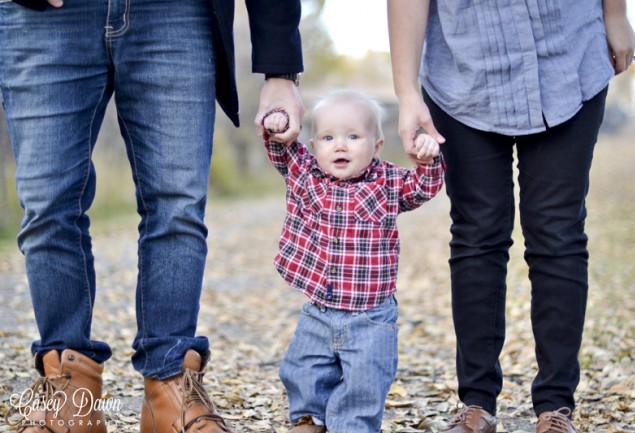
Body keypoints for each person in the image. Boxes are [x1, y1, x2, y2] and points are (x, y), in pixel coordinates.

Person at [0, 0, 304, 432]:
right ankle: (69, 393)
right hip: (44, 17)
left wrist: (279, 68)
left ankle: (170, 390)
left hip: (175, 12)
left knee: (177, 207)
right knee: (46, 205)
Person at [387, 0, 635, 432]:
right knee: (476, 234)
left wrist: (615, 13)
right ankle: (477, 403)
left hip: (568, 54)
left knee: (558, 234)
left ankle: (555, 407)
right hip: (464, 71)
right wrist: (406, 92)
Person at [261, 89, 446, 433]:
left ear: (376, 145)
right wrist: (278, 122)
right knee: (302, 367)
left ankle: (351, 426)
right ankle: (309, 418)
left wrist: (428, 160)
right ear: (314, 145)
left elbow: (423, 188)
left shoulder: (388, 182)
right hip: (319, 308)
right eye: (328, 137)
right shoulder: (305, 173)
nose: (340, 146)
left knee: (365, 381)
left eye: (353, 136)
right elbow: (280, 149)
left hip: (371, 316)